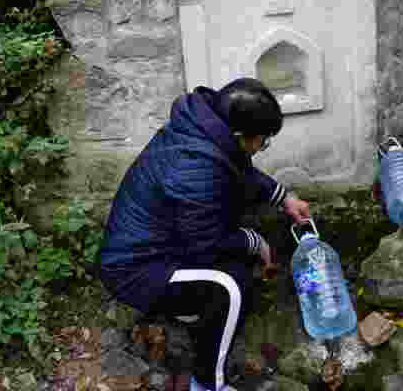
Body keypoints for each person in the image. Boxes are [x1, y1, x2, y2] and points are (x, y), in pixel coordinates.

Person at [98, 78, 311, 391]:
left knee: (237, 267)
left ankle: (189, 312)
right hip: (135, 268)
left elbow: (240, 172)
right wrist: (256, 241)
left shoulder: (206, 130)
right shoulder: (195, 166)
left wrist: (284, 198)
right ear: (239, 135)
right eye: (263, 140)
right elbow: (206, 246)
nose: (262, 147)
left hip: (166, 242)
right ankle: (208, 381)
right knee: (230, 287)